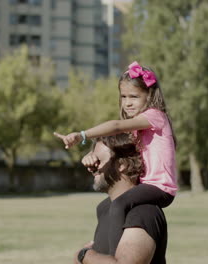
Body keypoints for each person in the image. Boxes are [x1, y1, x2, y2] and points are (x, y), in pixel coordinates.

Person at [55, 61, 177, 255]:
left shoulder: (155, 116)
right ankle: (102, 246)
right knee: (105, 206)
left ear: (150, 95)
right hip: (145, 184)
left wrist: (82, 135)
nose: (127, 102)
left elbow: (116, 127)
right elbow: (113, 148)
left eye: (134, 97)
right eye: (123, 96)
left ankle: (114, 257)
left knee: (119, 204)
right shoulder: (139, 126)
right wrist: (91, 154)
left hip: (160, 187)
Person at [74, 134, 167, 264]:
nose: (91, 168)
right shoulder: (104, 208)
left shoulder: (143, 212)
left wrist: (84, 255)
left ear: (121, 164)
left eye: (97, 161)